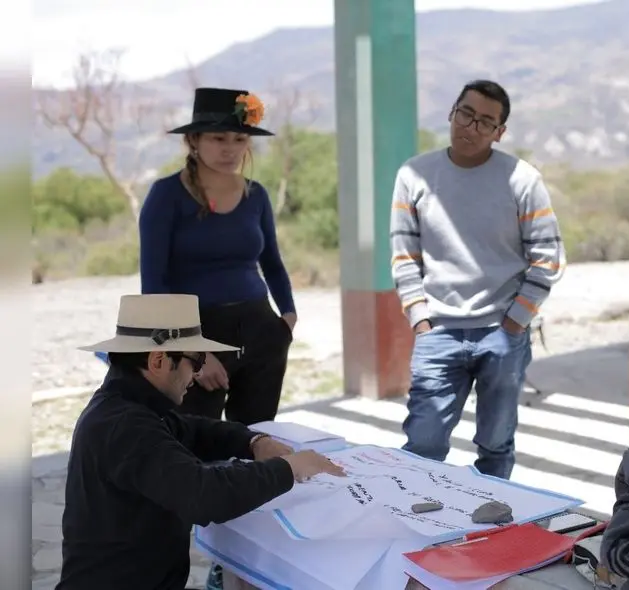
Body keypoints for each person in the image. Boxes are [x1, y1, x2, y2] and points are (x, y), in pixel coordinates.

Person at [57, 294, 344, 590]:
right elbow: (205, 495)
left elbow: (194, 430)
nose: (196, 375)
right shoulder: (125, 426)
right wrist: (289, 468)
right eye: (196, 361)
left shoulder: (129, 406)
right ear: (158, 361)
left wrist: (254, 441)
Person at [390, 79, 566, 480]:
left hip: (501, 335)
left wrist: (514, 322)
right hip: (438, 333)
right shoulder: (414, 175)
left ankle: (492, 517)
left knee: (495, 445)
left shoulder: (522, 179)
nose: (471, 127)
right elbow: (404, 255)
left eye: (485, 122)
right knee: (422, 446)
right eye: (465, 114)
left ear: (499, 132)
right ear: (451, 112)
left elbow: (548, 256)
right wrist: (420, 319)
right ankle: (418, 513)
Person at [138, 87, 296, 427]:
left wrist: (286, 319)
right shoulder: (166, 195)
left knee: (254, 438)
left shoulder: (256, 195)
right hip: (195, 332)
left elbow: (272, 263)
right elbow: (153, 284)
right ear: (193, 140)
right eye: (218, 138)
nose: (230, 149)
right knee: (192, 440)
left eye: (240, 139)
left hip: (261, 331)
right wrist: (191, 351)